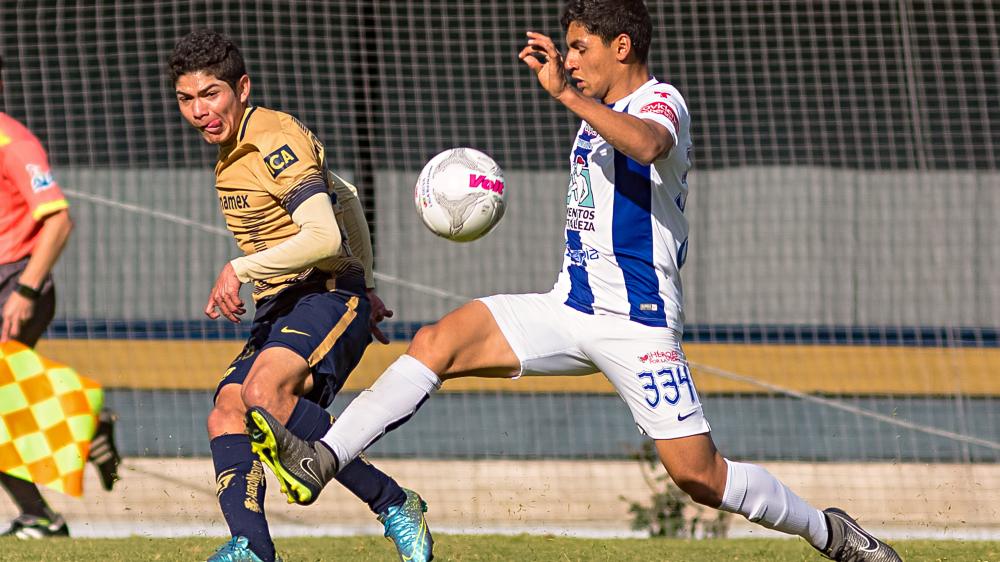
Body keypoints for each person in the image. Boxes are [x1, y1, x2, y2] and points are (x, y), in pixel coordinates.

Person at [244, 2, 903, 561]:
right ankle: (319, 460)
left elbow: (647, 146)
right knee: (440, 339)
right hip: (569, 305)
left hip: (636, 324)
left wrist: (566, 92)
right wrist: (575, 96)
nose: (571, 59)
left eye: (580, 48)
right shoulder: (598, 111)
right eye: (567, 50)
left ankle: (832, 533)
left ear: (622, 46)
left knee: (699, 478)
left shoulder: (659, 101)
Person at [168, 29, 433, 562]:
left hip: (326, 291)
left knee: (265, 394)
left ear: (242, 87)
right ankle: (253, 548)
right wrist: (374, 282)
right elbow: (346, 196)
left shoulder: (273, 137)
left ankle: (395, 504)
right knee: (227, 410)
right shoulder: (232, 150)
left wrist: (238, 268)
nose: (199, 110)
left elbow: (324, 237)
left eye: (211, 93)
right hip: (286, 304)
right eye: (187, 99)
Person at [0, 54, 121, 540]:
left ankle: (42, 516)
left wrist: (26, 289)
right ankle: (86, 426)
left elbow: (58, 219)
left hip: (16, 283)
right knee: (7, 406)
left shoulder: (14, 141)